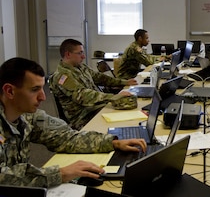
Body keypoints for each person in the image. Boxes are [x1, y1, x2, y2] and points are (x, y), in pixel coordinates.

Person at [0, 57, 147, 188]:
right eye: (34, 90)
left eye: (41, 88)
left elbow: (66, 138)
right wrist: (60, 173)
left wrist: (113, 143)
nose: (43, 97)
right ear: (10, 91)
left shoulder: (27, 116)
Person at [50, 39, 138, 130]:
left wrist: (124, 82)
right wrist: (113, 97)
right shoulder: (62, 76)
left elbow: (100, 77)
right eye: (80, 53)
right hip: (83, 117)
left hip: (93, 107)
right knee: (124, 114)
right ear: (68, 54)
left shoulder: (81, 67)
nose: (83, 56)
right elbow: (83, 95)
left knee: (128, 106)